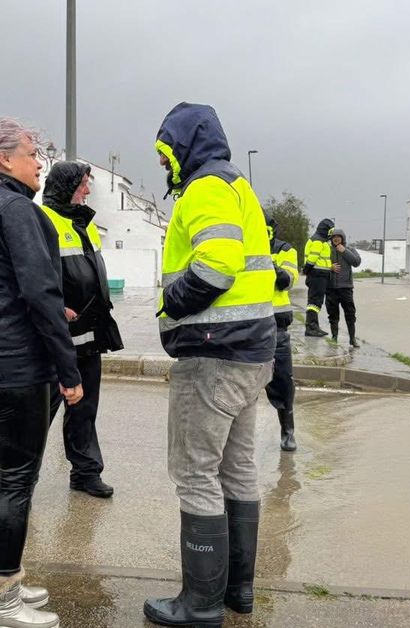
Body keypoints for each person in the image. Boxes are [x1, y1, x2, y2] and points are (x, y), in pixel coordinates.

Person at [144, 102, 275, 627]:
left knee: (195, 473)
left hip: (212, 354)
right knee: (237, 470)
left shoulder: (204, 188)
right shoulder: (238, 187)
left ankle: (198, 604)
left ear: (183, 146)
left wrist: (170, 303)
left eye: (165, 153)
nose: (162, 165)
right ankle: (237, 591)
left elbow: (216, 264)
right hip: (251, 353)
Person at [0, 117, 84, 628]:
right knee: (17, 484)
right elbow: (39, 292)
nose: (39, 162)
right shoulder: (16, 209)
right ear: (4, 159)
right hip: (16, 365)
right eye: (31, 152)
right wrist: (67, 369)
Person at [40, 161, 125, 499]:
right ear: (67, 186)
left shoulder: (84, 223)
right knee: (39, 414)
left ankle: (86, 472)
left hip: (89, 335)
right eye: (83, 185)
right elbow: (34, 278)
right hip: (55, 339)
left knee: (85, 409)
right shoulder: (43, 221)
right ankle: (19, 480)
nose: (88, 191)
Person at [266, 219, 300, 452]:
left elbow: (287, 280)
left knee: (282, 380)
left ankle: (287, 430)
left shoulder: (284, 250)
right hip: (246, 323)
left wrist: (268, 264)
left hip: (276, 325)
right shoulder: (241, 245)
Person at [325, 228, 362, 347]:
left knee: (350, 314)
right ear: (331, 239)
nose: (336, 239)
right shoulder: (327, 250)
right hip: (331, 288)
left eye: (338, 237)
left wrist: (344, 251)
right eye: (333, 237)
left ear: (342, 238)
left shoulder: (349, 249)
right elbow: (319, 264)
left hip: (346, 288)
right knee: (333, 314)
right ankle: (334, 337)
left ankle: (352, 339)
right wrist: (329, 267)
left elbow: (356, 262)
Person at [302, 218, 336, 337]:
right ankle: (311, 327)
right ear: (325, 230)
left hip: (319, 274)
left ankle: (314, 326)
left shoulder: (321, 240)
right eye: (330, 231)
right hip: (317, 274)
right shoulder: (318, 241)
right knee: (314, 301)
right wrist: (306, 270)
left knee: (316, 302)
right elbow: (313, 258)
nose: (331, 234)